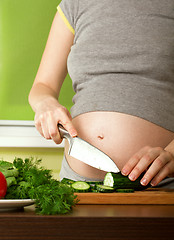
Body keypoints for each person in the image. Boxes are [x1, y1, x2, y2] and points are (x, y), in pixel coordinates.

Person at [29, 0, 174, 188]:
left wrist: (172, 154)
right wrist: (45, 104)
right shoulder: (75, 4)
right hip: (77, 182)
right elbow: (43, 85)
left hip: (159, 184)